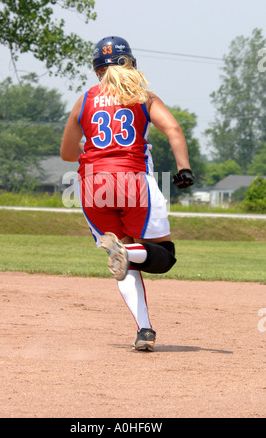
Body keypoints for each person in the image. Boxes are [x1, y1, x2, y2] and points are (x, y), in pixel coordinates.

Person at [60, 36, 194, 352]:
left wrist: (95, 148)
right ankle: (128, 252)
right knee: (165, 256)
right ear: (131, 64)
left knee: (121, 258)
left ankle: (144, 330)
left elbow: (67, 153)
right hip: (133, 182)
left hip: (92, 185)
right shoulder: (143, 96)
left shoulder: (84, 100)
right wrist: (184, 168)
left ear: (96, 70)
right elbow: (173, 129)